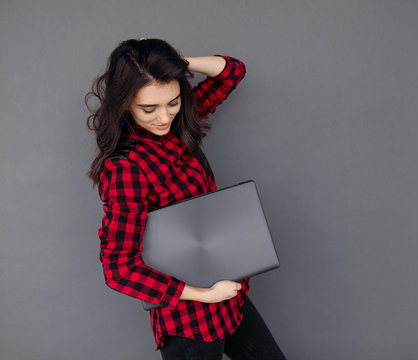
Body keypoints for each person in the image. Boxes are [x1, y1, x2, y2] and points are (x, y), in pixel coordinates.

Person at [85, 38, 286, 360]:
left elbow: (232, 71)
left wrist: (174, 64)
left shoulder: (176, 125)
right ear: (124, 103)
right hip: (188, 316)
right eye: (148, 109)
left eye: (173, 102)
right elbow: (119, 268)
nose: (163, 117)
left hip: (228, 291)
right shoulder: (125, 169)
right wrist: (204, 295)